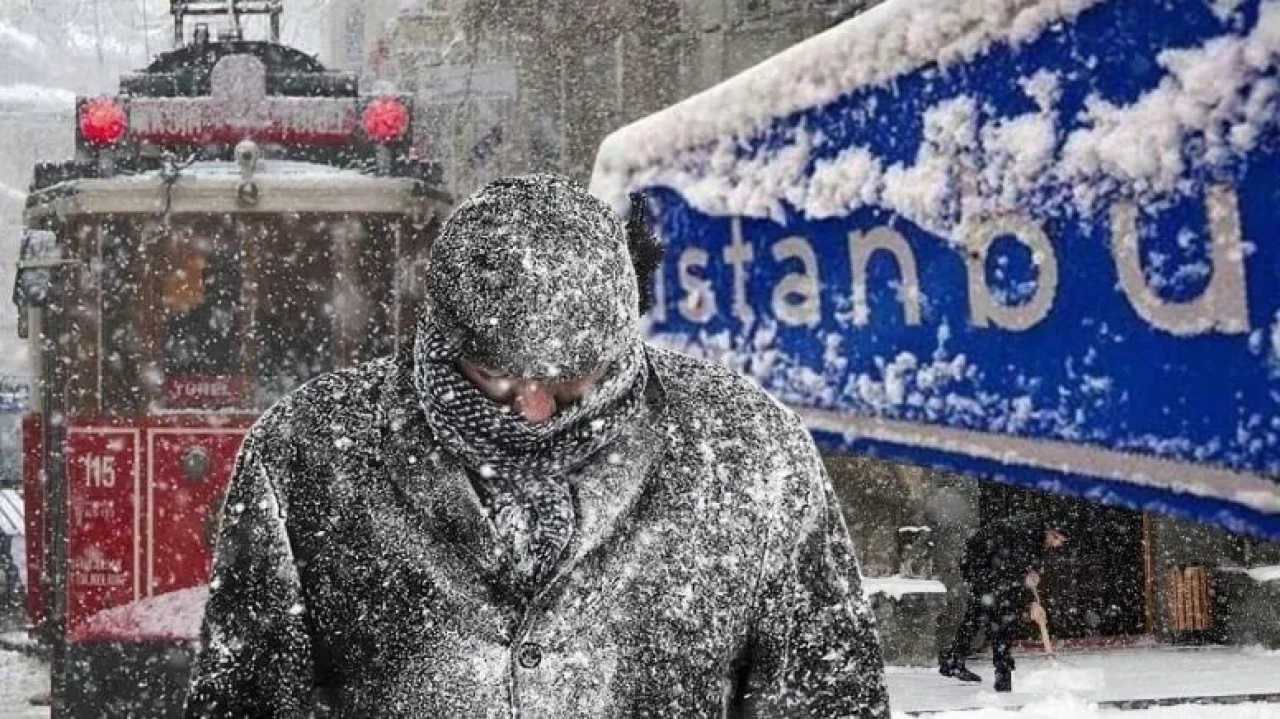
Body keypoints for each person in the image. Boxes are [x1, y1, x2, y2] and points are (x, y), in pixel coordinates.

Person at [184, 175, 890, 717]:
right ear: (444, 335)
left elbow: (828, 694)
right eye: (494, 374)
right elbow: (244, 699)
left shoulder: (748, 452)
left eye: (570, 378)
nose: (533, 408)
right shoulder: (306, 455)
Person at [939, 512, 1067, 692]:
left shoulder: (1035, 537)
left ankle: (952, 660)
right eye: (1056, 538)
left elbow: (1026, 566)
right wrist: (1026, 590)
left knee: (977, 614)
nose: (1057, 544)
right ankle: (1003, 675)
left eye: (1061, 541)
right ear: (1049, 530)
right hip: (982, 568)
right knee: (1002, 619)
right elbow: (1009, 569)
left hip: (989, 569)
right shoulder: (1023, 535)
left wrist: (1032, 575)